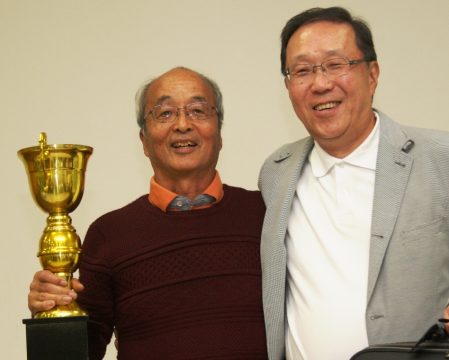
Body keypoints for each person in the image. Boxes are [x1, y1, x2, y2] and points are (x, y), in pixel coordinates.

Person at [28, 67, 268, 359]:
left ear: (219, 134)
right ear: (143, 141)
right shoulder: (109, 235)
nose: (182, 124)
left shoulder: (267, 215)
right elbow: (82, 350)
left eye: (198, 110)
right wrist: (52, 311)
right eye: (165, 113)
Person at [258, 6, 449, 360]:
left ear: (372, 74)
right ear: (288, 86)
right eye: (302, 71)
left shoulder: (440, 158)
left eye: (336, 64)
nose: (320, 83)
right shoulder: (276, 172)